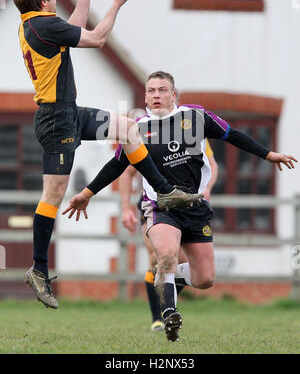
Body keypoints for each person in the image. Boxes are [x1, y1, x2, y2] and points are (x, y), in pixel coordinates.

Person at [11, 0, 202, 310]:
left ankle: (164, 192)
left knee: (128, 128)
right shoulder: (43, 24)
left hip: (70, 112)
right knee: (53, 193)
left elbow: (75, 29)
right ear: (43, 1)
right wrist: (115, 4)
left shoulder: (36, 24)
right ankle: (39, 269)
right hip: (57, 120)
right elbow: (96, 38)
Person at [63, 70, 297, 342]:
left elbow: (232, 135)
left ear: (173, 95)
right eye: (151, 91)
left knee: (205, 278)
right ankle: (168, 315)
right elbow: (118, 165)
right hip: (160, 206)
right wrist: (87, 193)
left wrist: (268, 154)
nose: (156, 95)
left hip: (195, 207)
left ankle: (174, 280)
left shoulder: (196, 117)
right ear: (146, 97)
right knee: (166, 256)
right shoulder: (135, 129)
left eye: (162, 90)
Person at [119, 138, 218, 332]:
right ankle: (159, 317)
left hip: (189, 203)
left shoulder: (195, 129)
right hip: (156, 204)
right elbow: (126, 172)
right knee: (157, 257)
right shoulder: (148, 133)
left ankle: (167, 295)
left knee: (180, 263)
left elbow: (212, 165)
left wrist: (207, 187)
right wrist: (125, 208)